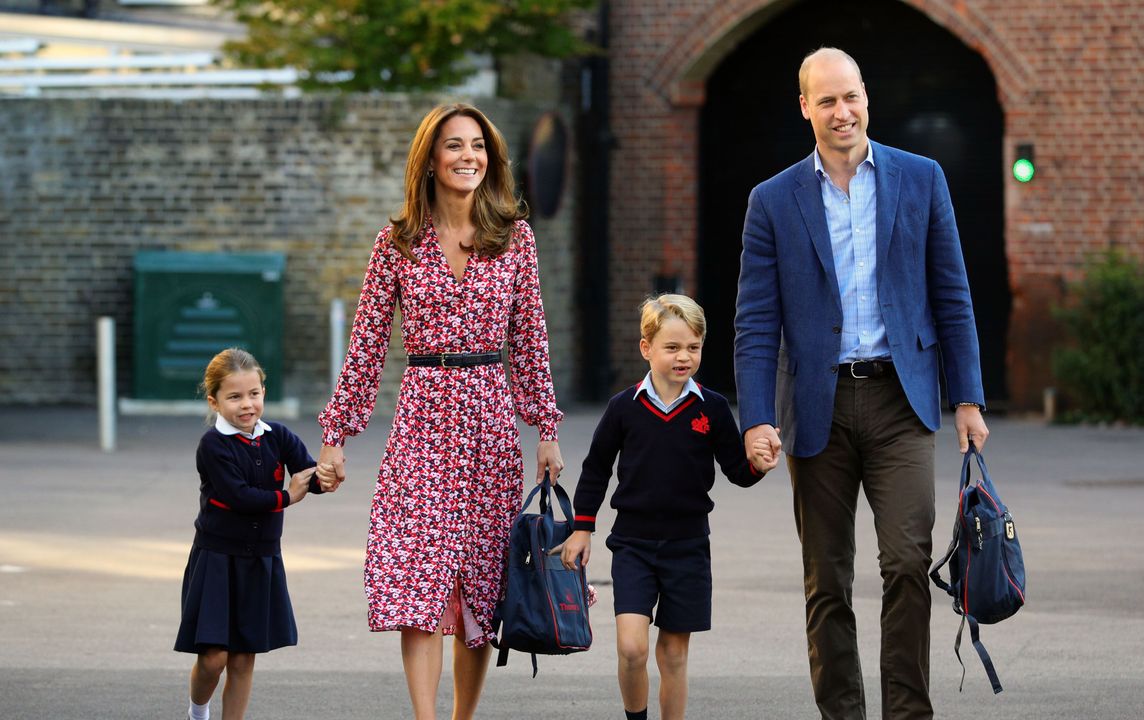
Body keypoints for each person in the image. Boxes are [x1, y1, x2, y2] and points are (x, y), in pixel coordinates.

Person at [733, 47, 991, 720]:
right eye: (827, 100)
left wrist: (967, 396)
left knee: (908, 561)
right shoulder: (773, 201)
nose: (842, 111)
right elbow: (756, 323)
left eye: (851, 97)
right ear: (805, 109)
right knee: (827, 579)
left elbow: (952, 293)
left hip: (900, 398)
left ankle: (908, 712)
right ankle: (842, 713)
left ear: (866, 99)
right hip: (815, 405)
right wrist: (757, 417)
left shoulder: (921, 178)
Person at [315, 102, 564, 720]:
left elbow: (530, 340)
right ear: (429, 158)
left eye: (477, 145)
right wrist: (336, 433)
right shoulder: (396, 242)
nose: (468, 156)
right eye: (453, 145)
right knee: (417, 575)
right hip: (423, 418)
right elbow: (367, 345)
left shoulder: (515, 238)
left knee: (480, 585)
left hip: (490, 419)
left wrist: (547, 429)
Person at [559, 294, 778, 720]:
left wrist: (760, 465)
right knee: (631, 648)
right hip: (633, 545)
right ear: (647, 348)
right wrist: (582, 528)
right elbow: (596, 468)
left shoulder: (711, 407)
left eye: (693, 348)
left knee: (674, 656)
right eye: (672, 347)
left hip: (689, 546)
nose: (684, 357)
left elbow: (737, 470)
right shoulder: (624, 407)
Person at [174, 347, 325, 720]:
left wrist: (327, 473)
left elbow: (309, 474)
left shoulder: (278, 436)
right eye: (235, 396)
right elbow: (240, 497)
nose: (247, 405)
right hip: (216, 559)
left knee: (243, 658)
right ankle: (197, 711)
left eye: (254, 394)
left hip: (261, 559)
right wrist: (289, 496)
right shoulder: (212, 445)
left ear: (263, 392)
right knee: (213, 658)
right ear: (214, 400)